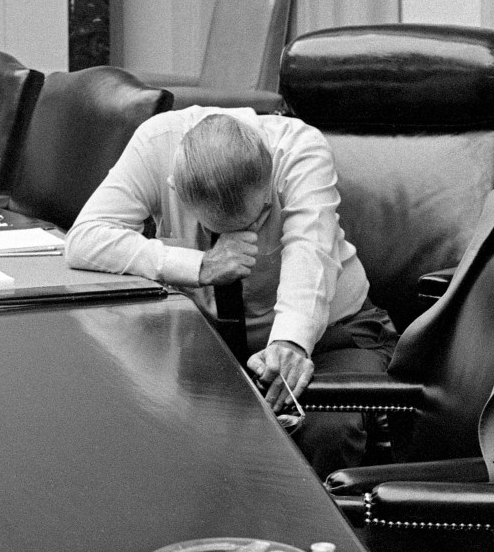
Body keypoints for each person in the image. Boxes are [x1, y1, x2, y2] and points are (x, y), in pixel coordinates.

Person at [65, 108, 397, 476]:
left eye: (260, 218)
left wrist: (290, 343)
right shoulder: (156, 144)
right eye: (218, 229)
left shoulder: (299, 148)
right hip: (213, 338)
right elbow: (85, 239)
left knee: (327, 428)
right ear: (175, 187)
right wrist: (201, 264)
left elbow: (310, 252)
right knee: (142, 415)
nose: (250, 232)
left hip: (334, 335)